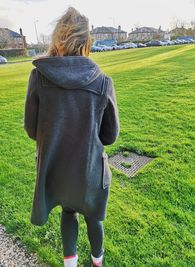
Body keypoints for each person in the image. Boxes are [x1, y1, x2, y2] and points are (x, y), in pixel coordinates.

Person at [24, 6, 120, 267]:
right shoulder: (102, 81)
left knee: (68, 211)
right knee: (93, 216)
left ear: (58, 38)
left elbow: (32, 129)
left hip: (58, 169)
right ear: (87, 40)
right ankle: (97, 262)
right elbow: (110, 136)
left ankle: (71, 264)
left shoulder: (38, 77)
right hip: (89, 170)